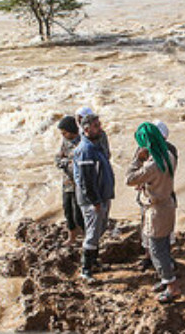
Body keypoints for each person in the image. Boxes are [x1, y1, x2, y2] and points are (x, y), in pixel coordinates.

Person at [125, 122, 181, 303]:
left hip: (156, 210)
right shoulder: (168, 155)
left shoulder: (152, 164)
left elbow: (129, 179)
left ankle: (172, 286)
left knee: (157, 250)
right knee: (164, 245)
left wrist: (138, 158)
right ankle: (166, 280)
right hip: (168, 205)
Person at [73, 112, 116, 282]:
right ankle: (86, 270)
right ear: (86, 129)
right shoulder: (85, 150)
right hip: (92, 200)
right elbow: (85, 181)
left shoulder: (94, 145)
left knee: (98, 231)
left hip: (101, 196)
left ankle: (95, 263)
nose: (100, 128)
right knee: (92, 233)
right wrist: (95, 201)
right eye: (96, 126)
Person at [135, 121, 177, 272]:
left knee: (157, 241)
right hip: (158, 198)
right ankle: (151, 260)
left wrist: (140, 164)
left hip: (155, 202)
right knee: (153, 236)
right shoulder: (168, 153)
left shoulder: (163, 153)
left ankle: (168, 278)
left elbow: (131, 177)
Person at [55, 116, 84, 247]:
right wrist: (65, 162)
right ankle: (71, 237)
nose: (63, 135)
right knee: (67, 210)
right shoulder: (65, 142)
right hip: (67, 182)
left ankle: (86, 238)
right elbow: (58, 157)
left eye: (65, 132)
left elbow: (80, 163)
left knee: (79, 213)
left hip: (80, 184)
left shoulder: (83, 142)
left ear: (72, 130)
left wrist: (66, 162)